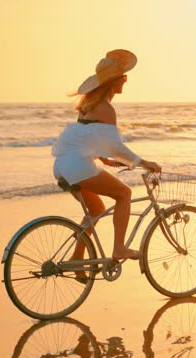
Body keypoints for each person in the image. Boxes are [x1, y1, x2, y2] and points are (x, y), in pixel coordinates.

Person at [51, 49, 161, 262]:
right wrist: (144, 163)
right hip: (79, 168)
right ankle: (119, 248)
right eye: (124, 78)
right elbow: (117, 147)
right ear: (113, 82)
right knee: (124, 194)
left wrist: (102, 158)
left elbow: (86, 136)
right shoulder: (107, 109)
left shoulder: (88, 105)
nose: (125, 82)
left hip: (62, 165)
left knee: (96, 209)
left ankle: (77, 258)